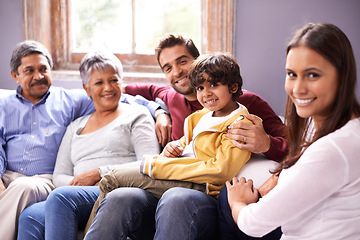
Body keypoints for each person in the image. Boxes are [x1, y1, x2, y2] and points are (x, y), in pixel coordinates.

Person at [101, 34, 286, 239]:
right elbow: (149, 90)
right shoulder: (180, 103)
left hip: (204, 190)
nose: (177, 72)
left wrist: (267, 144)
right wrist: (157, 112)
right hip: (175, 176)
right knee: (119, 196)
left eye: (182, 62)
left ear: (197, 61)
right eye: (168, 68)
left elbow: (295, 147)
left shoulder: (246, 107)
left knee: (165, 195)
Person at [84, 53, 255, 239]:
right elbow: (188, 144)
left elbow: (221, 170)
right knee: (118, 194)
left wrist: (162, 167)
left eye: (214, 84)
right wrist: (174, 148)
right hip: (180, 177)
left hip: (202, 186)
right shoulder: (202, 117)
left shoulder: (240, 124)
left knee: (111, 179)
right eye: (200, 87)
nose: (206, 93)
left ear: (233, 87)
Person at [224, 23, 360, 239]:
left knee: (226, 197)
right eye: (292, 74)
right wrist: (279, 177)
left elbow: (252, 223)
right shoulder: (320, 126)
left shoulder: (336, 147)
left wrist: (237, 201)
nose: (298, 89)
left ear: (342, 76)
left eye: (313, 75)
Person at [16, 51, 161, 240]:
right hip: (78, 193)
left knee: (61, 198)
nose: (108, 88)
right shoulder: (75, 126)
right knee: (31, 216)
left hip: (124, 190)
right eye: (99, 83)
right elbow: (59, 174)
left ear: (122, 83)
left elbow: (148, 163)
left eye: (113, 80)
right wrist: (77, 184)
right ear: (87, 89)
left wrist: (98, 173)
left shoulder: (137, 114)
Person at [0, 40, 95, 240]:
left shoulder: (70, 100)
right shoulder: (2, 106)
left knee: (24, 188)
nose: (39, 76)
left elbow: (115, 94)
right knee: (18, 188)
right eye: (29, 70)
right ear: (15, 76)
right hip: (6, 176)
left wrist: (159, 111)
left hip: (44, 180)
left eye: (44, 69)